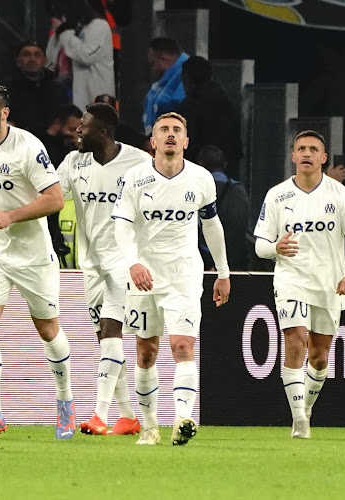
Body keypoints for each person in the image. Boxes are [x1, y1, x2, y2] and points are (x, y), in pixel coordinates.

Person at [112, 112, 231, 445]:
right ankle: (150, 426)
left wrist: (223, 272)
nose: (170, 134)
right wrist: (133, 262)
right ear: (152, 141)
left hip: (184, 274)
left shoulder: (201, 179)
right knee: (146, 352)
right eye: (163, 129)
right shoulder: (134, 178)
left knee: (182, 345)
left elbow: (211, 225)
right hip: (143, 276)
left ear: (186, 141)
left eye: (177, 130)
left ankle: (182, 418)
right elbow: (121, 225)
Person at [0, 83, 75, 440]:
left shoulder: (28, 147)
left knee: (47, 329)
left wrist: (12, 217)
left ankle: (65, 403)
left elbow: (55, 199)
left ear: (4, 112)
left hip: (32, 255)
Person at [254, 130, 345, 439]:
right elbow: (260, 244)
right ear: (293, 156)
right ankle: (299, 420)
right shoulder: (277, 195)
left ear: (323, 157)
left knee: (318, 356)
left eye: (313, 149)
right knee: (294, 342)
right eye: (301, 148)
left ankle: (307, 408)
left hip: (329, 283)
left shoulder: (339, 194)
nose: (306, 153)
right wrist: (275, 248)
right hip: (291, 278)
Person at [57, 102, 147, 436]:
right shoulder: (73, 163)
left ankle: (100, 414)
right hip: (90, 263)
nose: (77, 130)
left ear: (104, 133)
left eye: (84, 125)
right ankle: (128, 416)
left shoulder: (138, 163)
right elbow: (51, 194)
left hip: (124, 261)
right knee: (105, 340)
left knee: (111, 332)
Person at [46, 0, 114, 113]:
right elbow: (50, 59)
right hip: (65, 92)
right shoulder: (71, 29)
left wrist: (64, 31)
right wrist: (58, 32)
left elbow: (86, 56)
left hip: (93, 98)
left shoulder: (100, 26)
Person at [176, 56, 241, 172]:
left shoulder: (189, 107)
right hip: (227, 171)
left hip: (198, 171)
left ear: (187, 78)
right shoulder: (227, 102)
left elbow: (188, 145)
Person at [197, 144, 251, 271]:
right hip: (235, 265)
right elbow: (241, 229)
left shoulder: (195, 191)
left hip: (202, 265)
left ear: (200, 166)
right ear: (224, 165)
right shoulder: (239, 191)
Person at [4, 40, 69, 136]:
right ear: (18, 61)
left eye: (37, 55)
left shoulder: (58, 90)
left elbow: (65, 117)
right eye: (26, 55)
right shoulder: (5, 91)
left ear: (44, 61)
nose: (32, 59)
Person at [143, 38, 188, 134]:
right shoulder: (159, 86)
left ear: (164, 58)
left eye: (153, 63)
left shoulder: (185, 78)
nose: (152, 69)